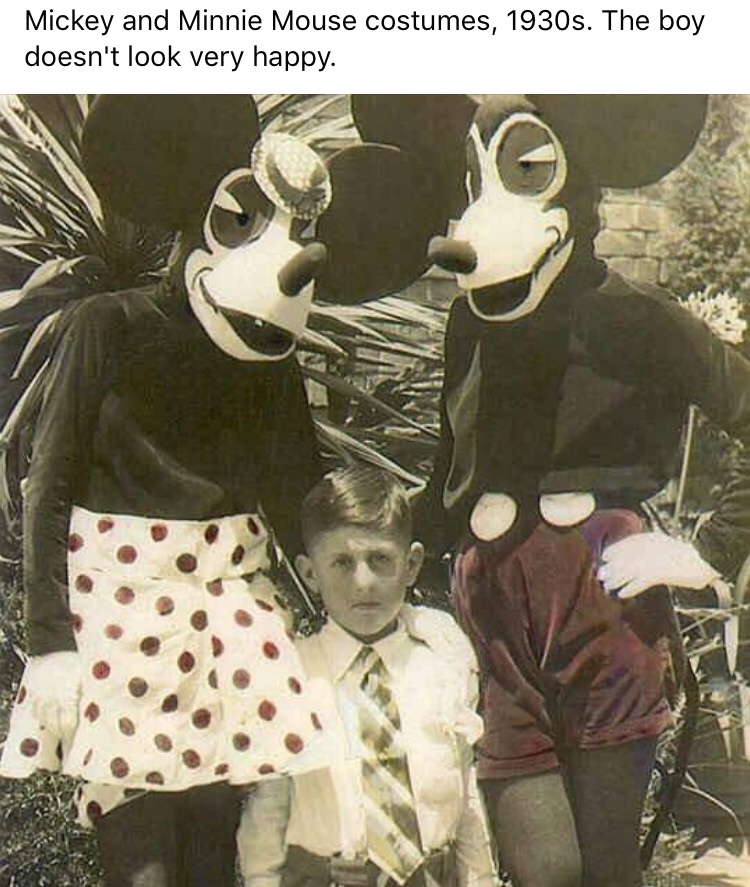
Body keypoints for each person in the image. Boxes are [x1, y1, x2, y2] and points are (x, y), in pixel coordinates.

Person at [238, 465, 498, 887]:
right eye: (342, 563)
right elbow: (267, 813)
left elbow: (466, 790)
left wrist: (481, 880)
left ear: (412, 564)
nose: (364, 582)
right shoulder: (293, 677)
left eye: (380, 560)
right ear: (309, 573)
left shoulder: (441, 661)